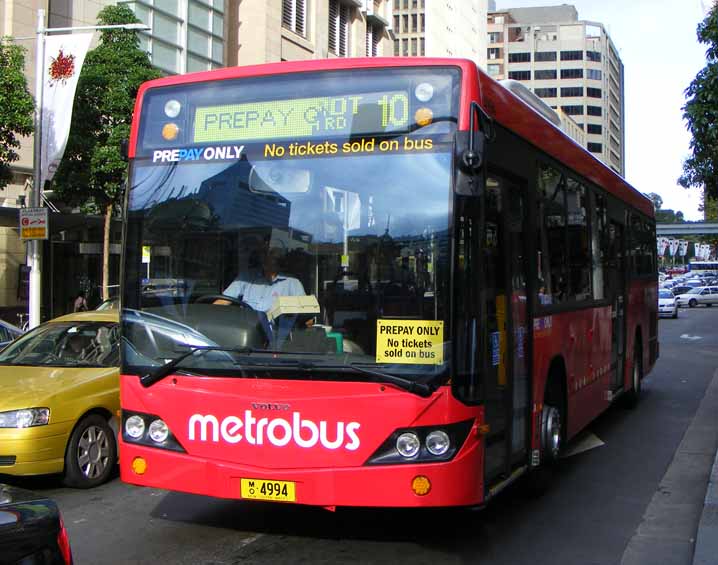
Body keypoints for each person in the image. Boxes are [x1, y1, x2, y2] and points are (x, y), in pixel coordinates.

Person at [216, 248, 306, 347]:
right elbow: (221, 303)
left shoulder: (292, 283)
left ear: (280, 258)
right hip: (244, 338)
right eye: (265, 253)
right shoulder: (246, 278)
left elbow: (305, 315)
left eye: (272, 254)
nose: (268, 258)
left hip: (277, 341)